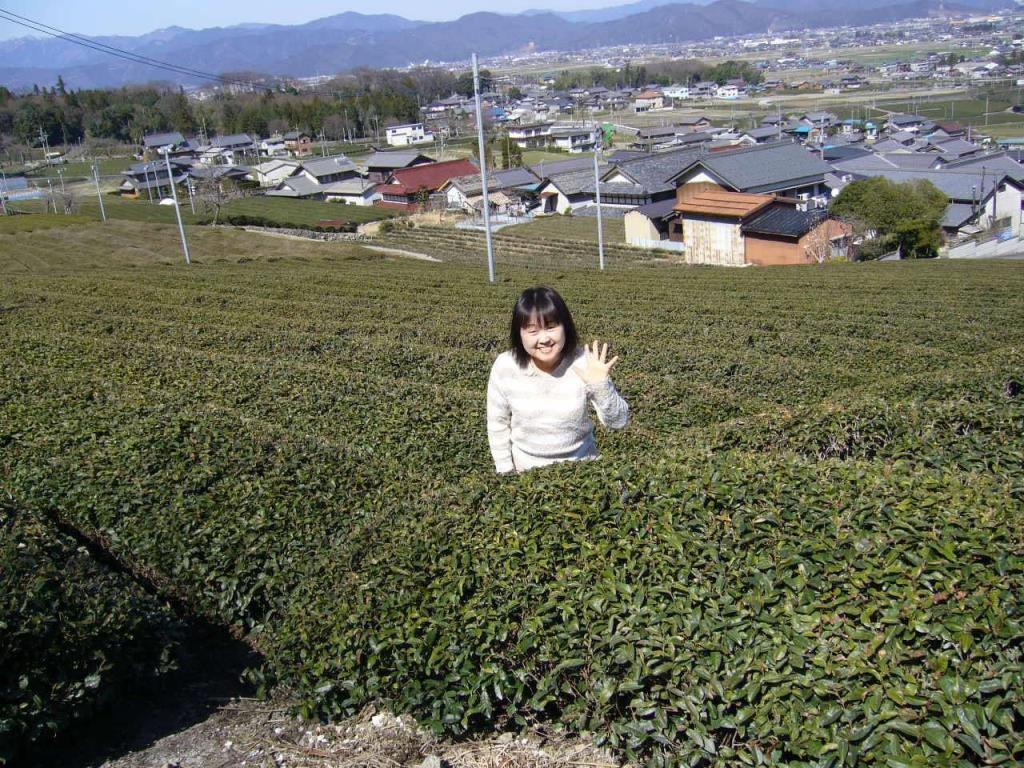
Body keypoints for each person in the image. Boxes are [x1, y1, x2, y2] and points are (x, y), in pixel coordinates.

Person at [486, 286, 630, 474]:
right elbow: (497, 424)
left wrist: (601, 386)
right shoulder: (506, 366)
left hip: (582, 471)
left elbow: (619, 422)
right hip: (526, 475)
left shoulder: (584, 363)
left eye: (551, 327)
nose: (544, 339)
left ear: (565, 326)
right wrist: (506, 472)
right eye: (532, 331)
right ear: (519, 333)